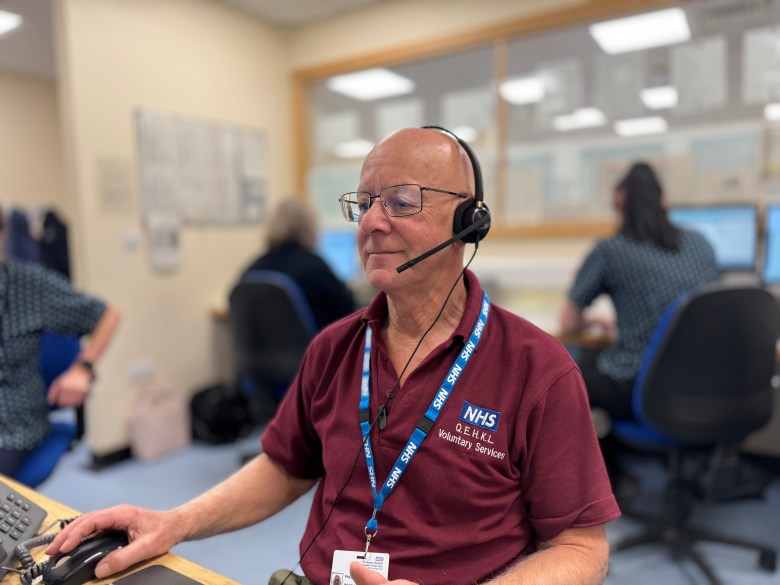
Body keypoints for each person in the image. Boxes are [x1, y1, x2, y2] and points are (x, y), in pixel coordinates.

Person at [48, 128, 619, 585]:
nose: (371, 222)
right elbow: (285, 465)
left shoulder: (537, 369)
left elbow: (580, 548)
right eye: (365, 203)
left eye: (400, 201)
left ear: (470, 220)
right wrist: (173, 523)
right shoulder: (335, 347)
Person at [559, 162, 719, 426]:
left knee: (567, 372)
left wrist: (591, 322)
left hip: (641, 382)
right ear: (662, 200)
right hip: (704, 383)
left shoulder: (610, 251)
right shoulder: (700, 244)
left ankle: (592, 460)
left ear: (619, 199)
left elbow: (568, 323)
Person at [0, 209, 121, 476]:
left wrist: (83, 368)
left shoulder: (26, 284)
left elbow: (107, 315)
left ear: (3, 238)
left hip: (11, 425)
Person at [241, 198, 355, 331]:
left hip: (260, 352)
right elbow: (348, 311)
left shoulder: (253, 269)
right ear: (310, 227)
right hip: (313, 349)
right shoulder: (316, 267)